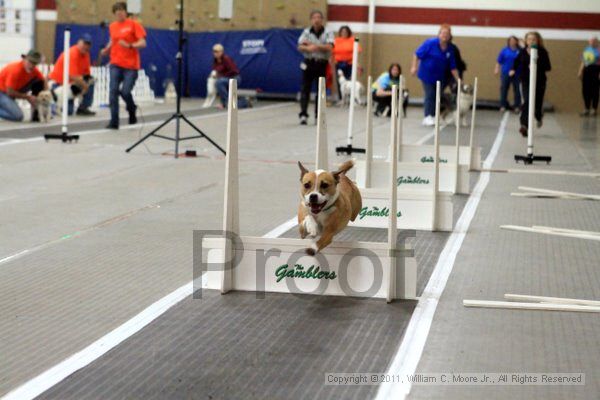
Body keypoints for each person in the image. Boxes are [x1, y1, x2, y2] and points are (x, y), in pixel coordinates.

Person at [100, 1, 146, 129]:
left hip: (131, 66)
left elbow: (142, 43)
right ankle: (114, 121)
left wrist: (130, 45)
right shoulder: (113, 26)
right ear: (114, 13)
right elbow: (113, 40)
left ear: (126, 12)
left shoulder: (134, 25)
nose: (119, 12)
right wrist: (107, 49)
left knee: (125, 92)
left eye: (121, 10)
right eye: (116, 10)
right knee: (113, 91)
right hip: (115, 63)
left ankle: (132, 109)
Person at [411, 24, 459, 126]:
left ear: (450, 36)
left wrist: (458, 79)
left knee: (437, 96)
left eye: (447, 34)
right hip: (426, 75)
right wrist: (414, 67)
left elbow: (453, 66)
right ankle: (427, 116)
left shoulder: (450, 48)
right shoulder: (430, 43)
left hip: (440, 77)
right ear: (439, 34)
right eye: (443, 33)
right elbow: (417, 54)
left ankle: (433, 115)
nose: (444, 36)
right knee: (430, 95)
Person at [510, 31, 551, 137]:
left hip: (539, 81)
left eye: (533, 39)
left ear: (538, 41)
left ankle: (539, 116)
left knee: (537, 103)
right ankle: (524, 125)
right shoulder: (523, 52)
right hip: (525, 81)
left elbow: (548, 67)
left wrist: (536, 62)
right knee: (527, 101)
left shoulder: (542, 52)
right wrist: (513, 70)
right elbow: (517, 62)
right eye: (529, 39)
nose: (531, 41)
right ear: (526, 41)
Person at [297, 10, 334, 125]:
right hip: (309, 62)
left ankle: (318, 116)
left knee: (320, 91)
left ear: (322, 20)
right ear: (311, 19)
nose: (316, 20)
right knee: (305, 89)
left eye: (319, 17)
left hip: (321, 63)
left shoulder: (328, 32)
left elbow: (329, 46)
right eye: (314, 17)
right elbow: (300, 46)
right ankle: (303, 114)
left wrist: (315, 46)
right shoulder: (306, 32)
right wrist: (308, 48)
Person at [49, 33, 96, 116]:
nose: (86, 46)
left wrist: (86, 84)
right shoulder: (72, 53)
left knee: (91, 81)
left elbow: (87, 74)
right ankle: (54, 105)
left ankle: (83, 107)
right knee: (68, 112)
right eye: (84, 43)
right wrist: (85, 87)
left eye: (88, 44)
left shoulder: (86, 54)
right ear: (78, 42)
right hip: (60, 85)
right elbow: (72, 76)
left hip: (71, 85)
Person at [0, 50, 46, 122]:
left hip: (12, 92)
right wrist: (27, 97)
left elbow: (43, 81)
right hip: (2, 93)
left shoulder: (34, 70)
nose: (32, 65)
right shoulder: (15, 70)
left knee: (39, 82)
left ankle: (37, 112)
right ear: (24, 59)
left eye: (34, 63)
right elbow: (9, 92)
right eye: (30, 62)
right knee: (18, 116)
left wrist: (45, 95)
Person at [212, 44, 249, 109]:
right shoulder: (215, 61)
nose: (215, 53)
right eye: (214, 51)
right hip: (225, 79)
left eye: (217, 51)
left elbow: (234, 71)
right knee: (219, 82)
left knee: (219, 82)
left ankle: (226, 103)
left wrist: (221, 76)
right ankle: (244, 102)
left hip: (235, 77)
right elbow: (217, 71)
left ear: (221, 52)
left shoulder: (227, 59)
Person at [332, 25, 361, 101]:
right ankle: (341, 98)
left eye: (346, 32)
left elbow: (358, 51)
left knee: (350, 80)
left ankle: (351, 98)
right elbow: (332, 51)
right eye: (342, 32)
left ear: (348, 32)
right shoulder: (336, 40)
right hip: (338, 63)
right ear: (340, 32)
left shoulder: (352, 40)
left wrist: (356, 63)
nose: (344, 33)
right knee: (341, 81)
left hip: (349, 63)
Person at [495, 36, 522, 112]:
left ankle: (517, 106)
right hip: (506, 72)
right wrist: (497, 68)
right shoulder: (504, 50)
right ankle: (503, 105)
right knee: (504, 89)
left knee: (517, 90)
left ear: (516, 41)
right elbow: (499, 61)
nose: (512, 42)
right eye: (510, 41)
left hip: (517, 73)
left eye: (514, 40)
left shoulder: (520, 51)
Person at [578, 36, 600, 117]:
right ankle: (586, 108)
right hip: (587, 70)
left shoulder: (599, 50)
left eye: (593, 41)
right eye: (590, 41)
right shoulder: (587, 49)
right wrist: (580, 71)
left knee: (595, 90)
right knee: (586, 90)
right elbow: (584, 61)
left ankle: (594, 109)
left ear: (596, 41)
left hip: (596, 70)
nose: (591, 43)